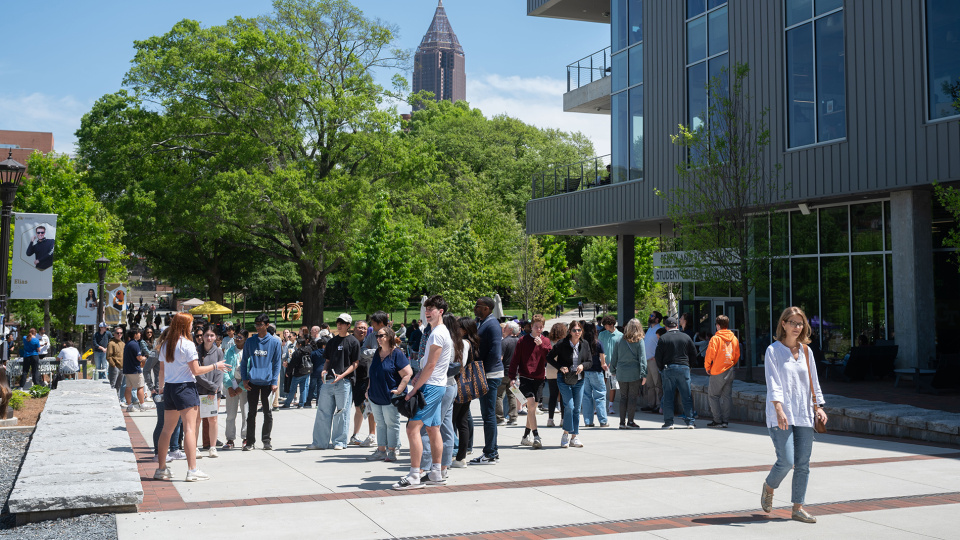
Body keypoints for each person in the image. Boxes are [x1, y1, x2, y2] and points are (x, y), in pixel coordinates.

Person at [762, 306, 827, 524]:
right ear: (783, 324)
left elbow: (813, 381)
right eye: (793, 323)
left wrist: (818, 406)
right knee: (786, 460)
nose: (797, 327)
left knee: (803, 463)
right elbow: (773, 383)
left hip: (804, 413)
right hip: (781, 414)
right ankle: (770, 486)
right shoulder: (773, 351)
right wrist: (779, 409)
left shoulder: (807, 351)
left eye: (800, 323)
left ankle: (798, 508)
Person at [153, 312, 229, 483]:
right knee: (190, 429)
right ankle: (192, 470)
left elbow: (162, 372)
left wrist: (161, 389)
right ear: (184, 325)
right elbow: (196, 371)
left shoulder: (166, 345)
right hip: (185, 388)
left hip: (170, 389)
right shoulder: (187, 345)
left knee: (167, 429)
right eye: (190, 324)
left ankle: (161, 468)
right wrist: (215, 366)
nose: (192, 327)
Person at [393, 295, 452, 490]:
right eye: (426, 310)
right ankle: (435, 472)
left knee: (412, 429)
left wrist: (415, 389)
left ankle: (414, 476)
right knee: (433, 428)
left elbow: (431, 365)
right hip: (437, 384)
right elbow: (429, 364)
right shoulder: (440, 331)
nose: (427, 313)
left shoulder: (437, 334)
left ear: (440, 311)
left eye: (431, 309)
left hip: (432, 385)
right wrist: (417, 380)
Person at [309, 314, 360, 450]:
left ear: (349, 325)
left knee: (341, 412)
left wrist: (342, 375)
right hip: (329, 380)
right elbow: (327, 361)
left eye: (343, 323)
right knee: (323, 411)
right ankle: (319, 442)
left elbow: (355, 363)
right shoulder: (331, 342)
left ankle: (339, 441)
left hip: (344, 382)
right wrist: (324, 371)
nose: (339, 325)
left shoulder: (353, 342)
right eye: (338, 322)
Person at [365, 326, 412, 462]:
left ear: (389, 337)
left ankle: (392, 450)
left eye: (381, 336)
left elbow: (408, 373)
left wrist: (399, 390)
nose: (378, 339)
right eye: (377, 336)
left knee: (392, 424)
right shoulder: (377, 353)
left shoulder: (397, 353)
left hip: (390, 396)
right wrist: (368, 389)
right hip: (375, 395)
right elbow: (373, 373)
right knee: (380, 423)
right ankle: (381, 450)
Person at [240, 314, 283, 451]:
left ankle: (266, 440)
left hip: (268, 382)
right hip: (252, 381)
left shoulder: (275, 342)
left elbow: (277, 363)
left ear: (267, 325)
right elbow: (244, 361)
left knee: (267, 412)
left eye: (261, 324)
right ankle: (250, 442)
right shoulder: (250, 341)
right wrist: (244, 378)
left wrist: (274, 381)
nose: (258, 327)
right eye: (256, 324)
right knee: (251, 413)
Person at [509, 314, 551, 450]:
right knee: (531, 405)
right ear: (531, 326)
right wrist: (512, 377)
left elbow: (549, 357)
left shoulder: (545, 341)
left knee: (532, 409)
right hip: (526, 376)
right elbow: (515, 359)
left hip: (539, 378)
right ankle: (536, 436)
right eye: (536, 327)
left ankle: (525, 436)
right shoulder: (522, 341)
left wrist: (541, 347)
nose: (538, 329)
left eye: (541, 327)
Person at [547, 319, 591, 448]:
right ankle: (565, 434)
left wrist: (583, 366)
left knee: (577, 409)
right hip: (564, 379)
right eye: (574, 330)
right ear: (570, 331)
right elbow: (549, 357)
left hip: (579, 379)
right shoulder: (562, 344)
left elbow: (590, 361)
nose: (577, 332)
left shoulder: (585, 344)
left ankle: (574, 436)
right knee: (569, 407)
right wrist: (560, 367)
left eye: (579, 330)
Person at [471, 296, 503, 465]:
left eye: (478, 306)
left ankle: (490, 453)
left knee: (488, 415)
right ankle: (492, 451)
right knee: (487, 414)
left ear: (486, 308)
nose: (475, 308)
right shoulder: (484, 323)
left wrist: (481, 371)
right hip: (488, 373)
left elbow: (494, 353)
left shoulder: (491, 325)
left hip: (490, 375)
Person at [655, 316, 697, 429]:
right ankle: (690, 422)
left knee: (668, 396)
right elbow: (693, 353)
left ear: (666, 327)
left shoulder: (663, 338)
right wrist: (690, 366)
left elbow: (658, 356)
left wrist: (661, 369)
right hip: (684, 368)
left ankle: (669, 423)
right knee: (686, 396)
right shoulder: (686, 337)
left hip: (668, 369)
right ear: (677, 325)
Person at [609, 319, 647, 429]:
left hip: (621, 372)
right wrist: (644, 374)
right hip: (634, 373)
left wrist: (613, 371)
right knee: (632, 397)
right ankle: (630, 421)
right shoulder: (639, 341)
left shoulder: (619, 340)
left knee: (623, 397)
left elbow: (614, 357)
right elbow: (642, 359)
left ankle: (621, 422)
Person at [704, 314, 740, 428]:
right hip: (730, 369)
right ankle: (725, 421)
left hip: (717, 370)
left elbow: (710, 354)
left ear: (718, 325)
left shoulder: (715, 338)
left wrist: (707, 367)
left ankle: (717, 420)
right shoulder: (734, 338)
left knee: (713, 396)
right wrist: (731, 364)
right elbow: (737, 354)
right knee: (726, 396)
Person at [195, 324, 224, 456]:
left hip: (214, 393)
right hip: (198, 390)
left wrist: (214, 389)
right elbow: (196, 373)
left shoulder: (218, 351)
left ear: (216, 337)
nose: (209, 338)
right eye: (206, 335)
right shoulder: (196, 351)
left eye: (212, 335)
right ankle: (194, 447)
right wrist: (211, 386)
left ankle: (212, 447)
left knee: (213, 419)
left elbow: (220, 371)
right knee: (196, 420)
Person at [222, 329, 248, 449]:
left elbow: (251, 370)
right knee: (231, 413)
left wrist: (241, 387)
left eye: (240, 337)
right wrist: (229, 386)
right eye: (236, 337)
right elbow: (225, 369)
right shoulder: (229, 351)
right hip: (231, 383)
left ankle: (246, 437)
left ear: (246, 339)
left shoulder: (249, 352)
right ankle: (230, 439)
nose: (237, 339)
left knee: (245, 412)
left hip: (245, 384)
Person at [580, 322, 607, 427]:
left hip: (584, 372)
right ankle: (603, 421)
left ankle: (588, 421)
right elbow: (603, 362)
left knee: (586, 397)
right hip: (596, 372)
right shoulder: (598, 343)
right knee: (600, 396)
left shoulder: (581, 343)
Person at [598, 316, 623, 419]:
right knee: (601, 386)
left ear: (612, 325)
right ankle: (599, 407)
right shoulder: (602, 334)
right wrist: (602, 362)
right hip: (602, 364)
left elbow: (621, 351)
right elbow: (599, 349)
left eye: (606, 325)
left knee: (613, 386)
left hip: (614, 365)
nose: (604, 327)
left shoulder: (620, 336)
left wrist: (614, 362)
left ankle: (611, 406)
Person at [496, 321, 520, 425]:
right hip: (515, 373)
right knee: (512, 395)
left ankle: (500, 418)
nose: (503, 329)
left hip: (504, 372)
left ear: (510, 330)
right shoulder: (520, 341)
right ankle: (513, 418)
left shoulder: (504, 342)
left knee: (499, 395)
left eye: (505, 328)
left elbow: (500, 358)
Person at [544, 322, 567, 427]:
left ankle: (550, 419)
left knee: (552, 395)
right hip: (561, 369)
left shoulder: (549, 342)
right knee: (562, 396)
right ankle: (563, 419)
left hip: (550, 370)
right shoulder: (564, 342)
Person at [122, 328, 149, 412]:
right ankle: (143, 405)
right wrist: (144, 358)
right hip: (135, 369)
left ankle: (130, 406)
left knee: (128, 387)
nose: (140, 334)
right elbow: (139, 357)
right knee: (140, 386)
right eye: (138, 333)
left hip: (127, 369)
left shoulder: (128, 343)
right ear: (135, 335)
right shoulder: (135, 344)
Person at [641, 311, 664, 413]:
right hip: (646, 360)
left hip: (654, 361)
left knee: (657, 383)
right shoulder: (650, 329)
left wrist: (657, 356)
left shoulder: (660, 329)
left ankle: (659, 405)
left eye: (652, 316)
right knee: (649, 384)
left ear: (657, 319)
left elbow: (662, 344)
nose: (650, 317)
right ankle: (651, 404)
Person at [282, 337, 312, 408]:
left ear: (300, 344)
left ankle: (287, 403)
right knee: (303, 388)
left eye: (297, 344)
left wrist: (288, 372)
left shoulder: (297, 352)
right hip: (306, 371)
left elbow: (292, 364)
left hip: (297, 373)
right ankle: (301, 403)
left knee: (292, 388)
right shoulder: (308, 350)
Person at [141, 327, 159, 396]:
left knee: (157, 374)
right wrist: (153, 354)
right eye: (148, 332)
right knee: (146, 373)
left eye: (151, 332)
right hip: (147, 359)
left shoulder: (154, 341)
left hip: (155, 358)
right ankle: (150, 389)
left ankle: (157, 389)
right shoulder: (143, 341)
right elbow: (146, 351)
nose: (149, 334)